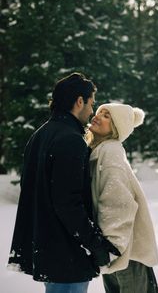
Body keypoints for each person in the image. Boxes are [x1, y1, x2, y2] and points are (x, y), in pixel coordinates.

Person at [7, 73, 120, 293]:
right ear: (79, 101)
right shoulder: (70, 140)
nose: (91, 112)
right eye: (91, 104)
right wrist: (96, 244)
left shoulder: (39, 136)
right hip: (66, 255)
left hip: (48, 248)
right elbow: (68, 203)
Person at [87, 103, 158, 293]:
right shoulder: (100, 150)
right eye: (99, 112)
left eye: (107, 116)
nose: (99, 116)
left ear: (116, 128)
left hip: (125, 253)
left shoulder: (110, 151)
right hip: (116, 252)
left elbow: (118, 202)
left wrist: (112, 247)